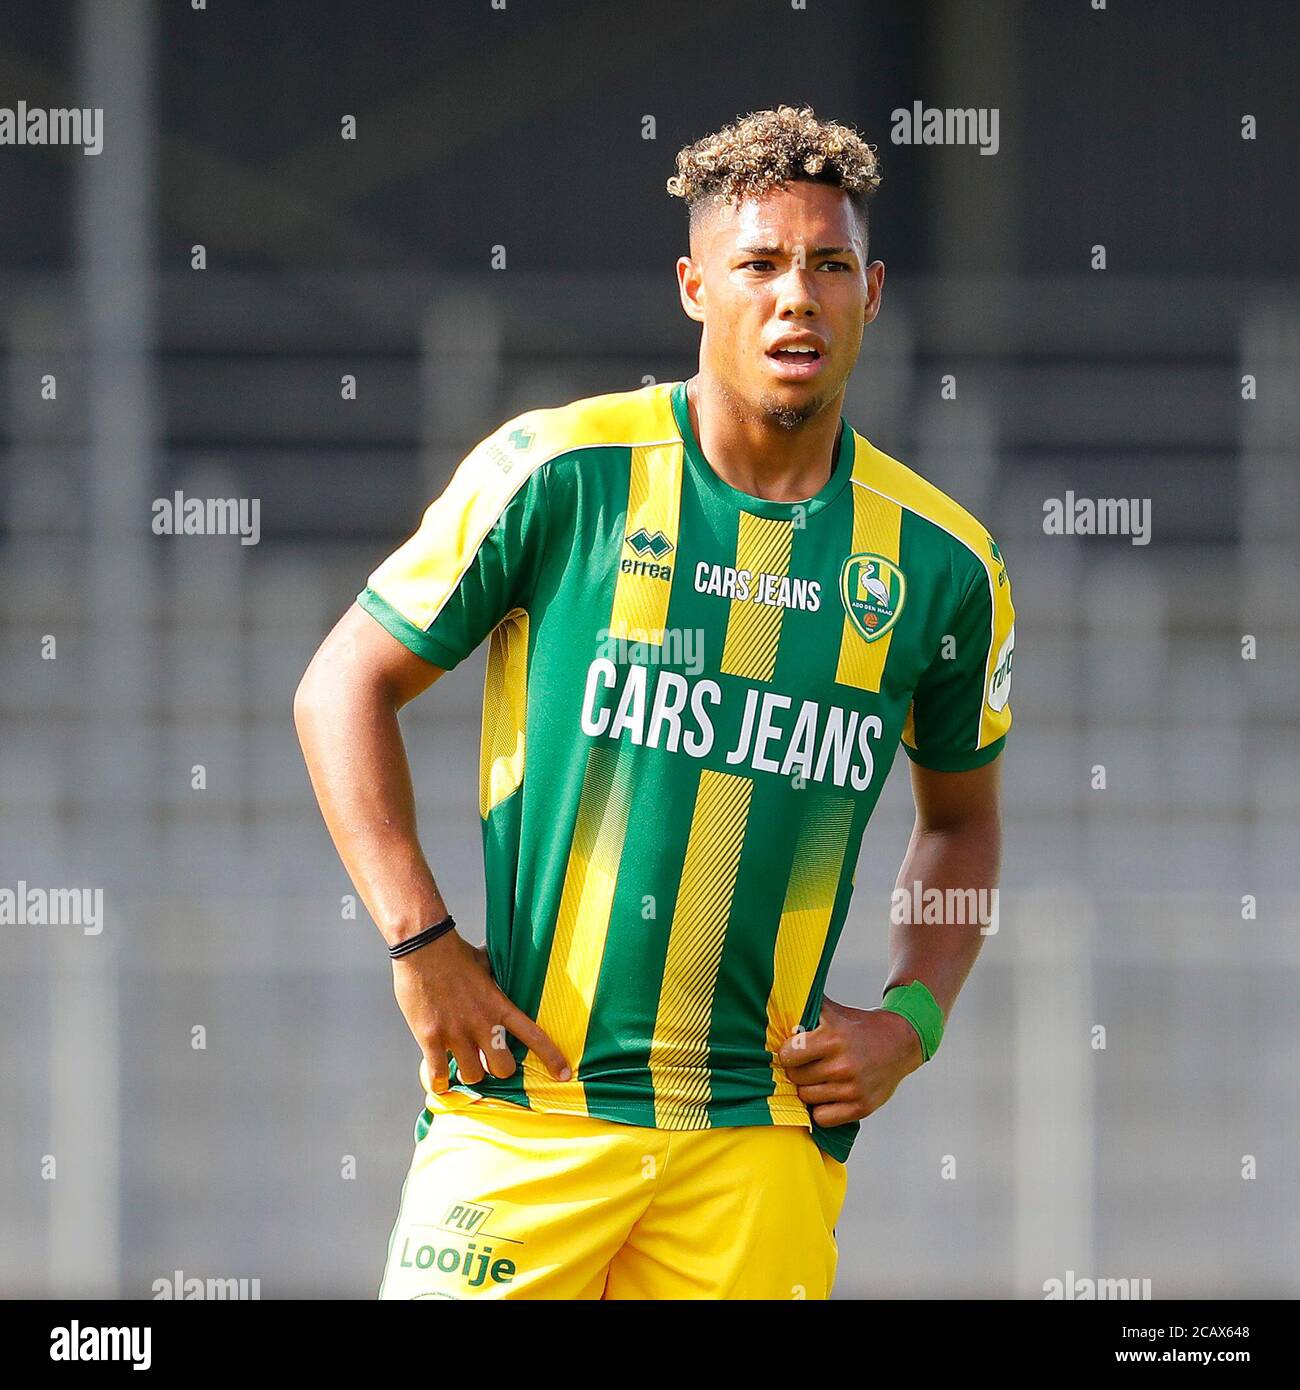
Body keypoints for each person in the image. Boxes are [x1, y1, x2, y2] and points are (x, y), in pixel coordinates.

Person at [294, 104, 1014, 1300]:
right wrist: (421, 943)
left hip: (760, 1134)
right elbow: (342, 687)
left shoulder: (943, 563)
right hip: (529, 1112)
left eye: (829, 266)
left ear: (871, 292)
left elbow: (962, 820)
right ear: (694, 286)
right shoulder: (559, 472)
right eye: (761, 264)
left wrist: (911, 1019)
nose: (798, 296)